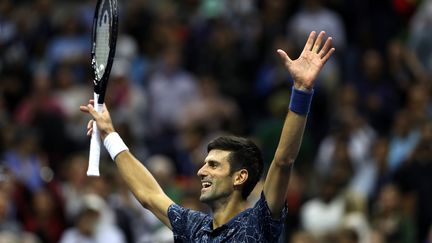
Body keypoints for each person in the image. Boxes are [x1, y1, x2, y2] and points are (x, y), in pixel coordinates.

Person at [80, 31, 335, 242]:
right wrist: (111, 135)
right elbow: (149, 196)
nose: (201, 171)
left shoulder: (259, 223)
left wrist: (301, 90)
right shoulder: (194, 228)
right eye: (205, 164)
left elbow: (283, 160)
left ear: (240, 177)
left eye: (213, 165)